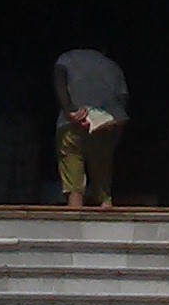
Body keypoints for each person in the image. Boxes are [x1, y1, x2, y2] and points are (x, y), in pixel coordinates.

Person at [53, 47, 128, 208]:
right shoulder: (113, 67)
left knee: (74, 188)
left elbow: (59, 79)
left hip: (72, 123)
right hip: (102, 124)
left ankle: (74, 218)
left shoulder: (67, 58)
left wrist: (69, 109)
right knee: (103, 189)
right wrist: (115, 138)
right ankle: (105, 210)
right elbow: (122, 102)